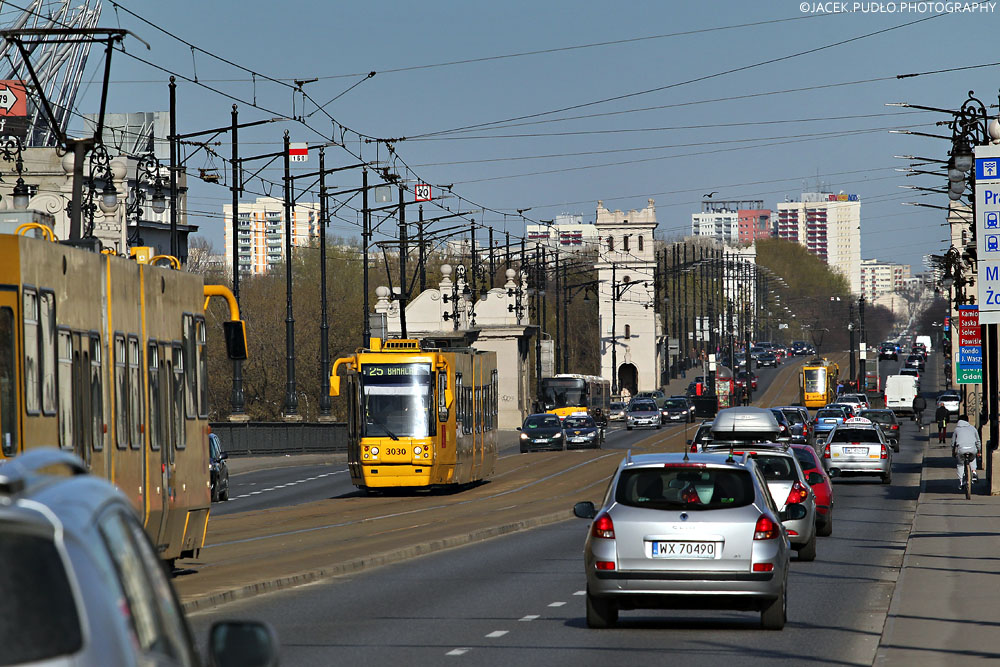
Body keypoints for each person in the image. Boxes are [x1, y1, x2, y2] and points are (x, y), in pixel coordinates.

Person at [951, 414, 981, 489]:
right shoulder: (973, 428)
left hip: (961, 450)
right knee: (973, 458)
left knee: (960, 464)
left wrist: (953, 452)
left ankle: (961, 482)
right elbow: (978, 441)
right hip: (972, 449)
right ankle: (974, 472)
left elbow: (953, 443)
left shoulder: (957, 429)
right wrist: (979, 451)